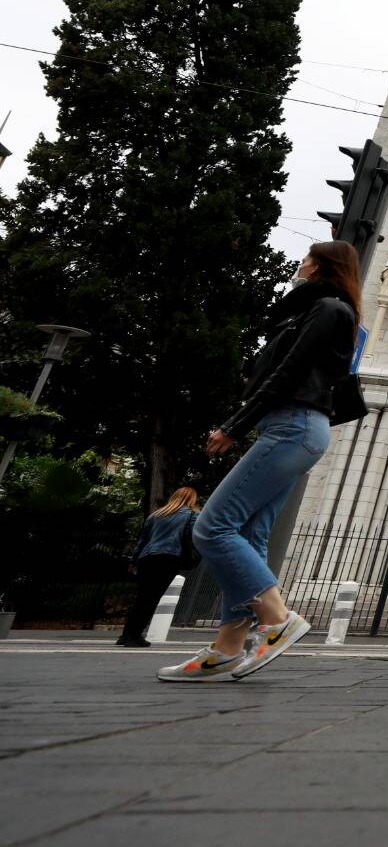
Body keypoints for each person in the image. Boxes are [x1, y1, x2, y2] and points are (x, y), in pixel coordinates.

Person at [160, 243, 359, 683]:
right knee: (249, 533)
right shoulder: (317, 309)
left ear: (323, 265)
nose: (300, 264)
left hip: (294, 426)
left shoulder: (328, 307)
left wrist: (233, 425)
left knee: (212, 527)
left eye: (307, 258)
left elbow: (286, 373)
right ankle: (228, 647)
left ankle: (277, 617)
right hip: (289, 427)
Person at [116, 487, 200, 647]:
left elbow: (142, 540)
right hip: (169, 557)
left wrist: (134, 561)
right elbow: (192, 536)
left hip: (146, 557)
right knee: (152, 597)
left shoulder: (156, 515)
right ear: (191, 499)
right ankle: (135, 635)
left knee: (141, 597)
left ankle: (126, 634)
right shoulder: (192, 515)